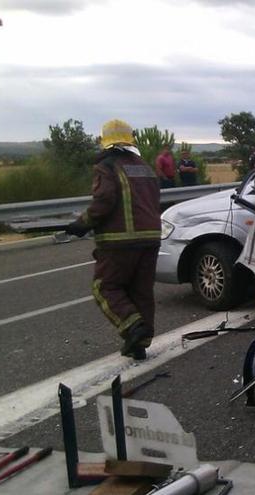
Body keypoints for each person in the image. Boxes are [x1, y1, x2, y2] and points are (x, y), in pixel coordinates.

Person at [64, 119, 161, 360]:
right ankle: (139, 343)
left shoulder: (106, 167)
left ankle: (132, 327)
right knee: (141, 292)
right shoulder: (144, 167)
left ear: (105, 141)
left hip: (119, 242)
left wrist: (82, 223)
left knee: (104, 287)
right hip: (150, 239)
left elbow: (104, 201)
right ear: (130, 140)